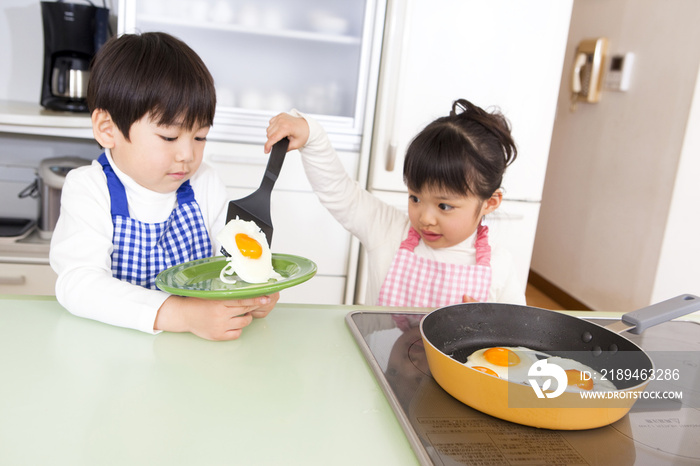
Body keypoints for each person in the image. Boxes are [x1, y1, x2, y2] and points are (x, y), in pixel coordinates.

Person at [50, 32, 278, 340]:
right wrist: (182, 315)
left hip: (193, 351)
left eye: (200, 137)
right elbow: (77, 284)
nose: (187, 154)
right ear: (108, 129)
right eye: (169, 137)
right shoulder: (90, 188)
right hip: (115, 352)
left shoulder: (203, 182)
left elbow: (231, 260)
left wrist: (252, 292)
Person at [265, 99, 525, 307]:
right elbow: (340, 192)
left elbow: (514, 341)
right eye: (415, 198)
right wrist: (313, 135)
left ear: (490, 202)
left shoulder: (499, 267)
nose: (425, 218)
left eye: (444, 206)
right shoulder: (387, 231)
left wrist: (486, 332)